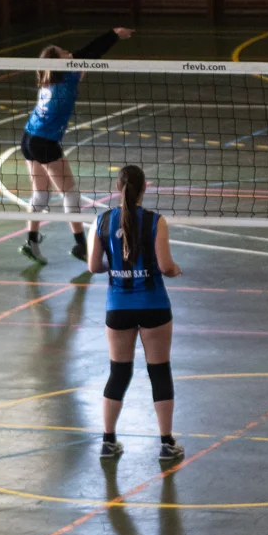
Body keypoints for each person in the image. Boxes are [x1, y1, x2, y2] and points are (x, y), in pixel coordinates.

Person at [87, 165, 183, 462]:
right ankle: (166, 443)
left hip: (118, 308)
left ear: (118, 189)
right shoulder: (156, 221)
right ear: (144, 189)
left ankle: (108, 440)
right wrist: (175, 270)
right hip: (153, 305)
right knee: (159, 371)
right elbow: (165, 266)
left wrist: (116, 266)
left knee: (119, 372)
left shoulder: (101, 221)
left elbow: (93, 266)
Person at [20, 27, 135, 265]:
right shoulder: (68, 77)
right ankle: (81, 246)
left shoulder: (48, 79)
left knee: (40, 194)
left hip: (28, 138)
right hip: (44, 143)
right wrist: (113, 35)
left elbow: (85, 54)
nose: (69, 52)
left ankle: (31, 242)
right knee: (70, 194)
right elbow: (90, 52)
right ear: (58, 62)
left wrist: (113, 35)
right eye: (63, 52)